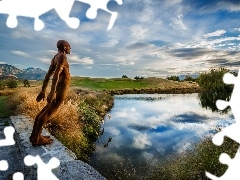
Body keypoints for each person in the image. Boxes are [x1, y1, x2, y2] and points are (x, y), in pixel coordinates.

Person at [30, 40, 71, 146]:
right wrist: (52, 92)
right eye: (69, 46)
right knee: (49, 112)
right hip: (61, 89)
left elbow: (48, 75)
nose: (70, 48)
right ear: (65, 48)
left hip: (58, 88)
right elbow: (56, 75)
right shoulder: (62, 57)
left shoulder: (55, 57)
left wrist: (43, 90)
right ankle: (37, 139)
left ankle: (35, 135)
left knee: (45, 110)